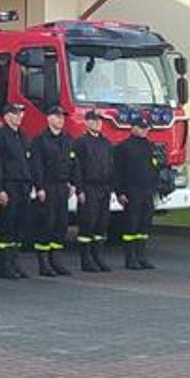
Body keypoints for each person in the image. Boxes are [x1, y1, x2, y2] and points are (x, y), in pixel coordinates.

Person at [0, 103, 36, 280]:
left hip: (23, 186)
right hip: (8, 186)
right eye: (15, 114)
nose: (19, 117)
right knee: (6, 227)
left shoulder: (24, 136)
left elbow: (29, 161)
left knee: (19, 227)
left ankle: (15, 264)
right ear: (7, 116)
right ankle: (5, 266)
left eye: (21, 114)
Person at [114, 114, 164, 270]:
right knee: (131, 225)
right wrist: (120, 192)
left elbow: (155, 168)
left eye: (146, 128)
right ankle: (130, 258)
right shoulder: (123, 147)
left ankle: (141, 256)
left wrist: (157, 189)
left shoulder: (150, 146)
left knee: (144, 224)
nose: (144, 131)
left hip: (147, 191)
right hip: (131, 191)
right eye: (141, 128)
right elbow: (117, 172)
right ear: (133, 128)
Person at [30, 107, 74, 277]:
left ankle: (56, 260)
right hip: (48, 186)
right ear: (49, 119)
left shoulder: (67, 139)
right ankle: (44, 263)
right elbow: (37, 165)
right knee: (47, 223)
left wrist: (72, 183)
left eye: (62, 117)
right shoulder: (40, 140)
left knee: (61, 224)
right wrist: (39, 187)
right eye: (57, 116)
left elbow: (72, 162)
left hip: (63, 186)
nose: (61, 119)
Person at [72, 111, 116, 273]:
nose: (98, 123)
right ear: (87, 122)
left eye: (99, 121)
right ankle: (86, 259)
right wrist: (79, 189)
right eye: (94, 120)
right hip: (88, 187)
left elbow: (111, 166)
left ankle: (98, 256)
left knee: (101, 223)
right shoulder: (81, 143)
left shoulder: (106, 143)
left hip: (103, 188)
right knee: (87, 223)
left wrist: (111, 187)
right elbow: (77, 168)